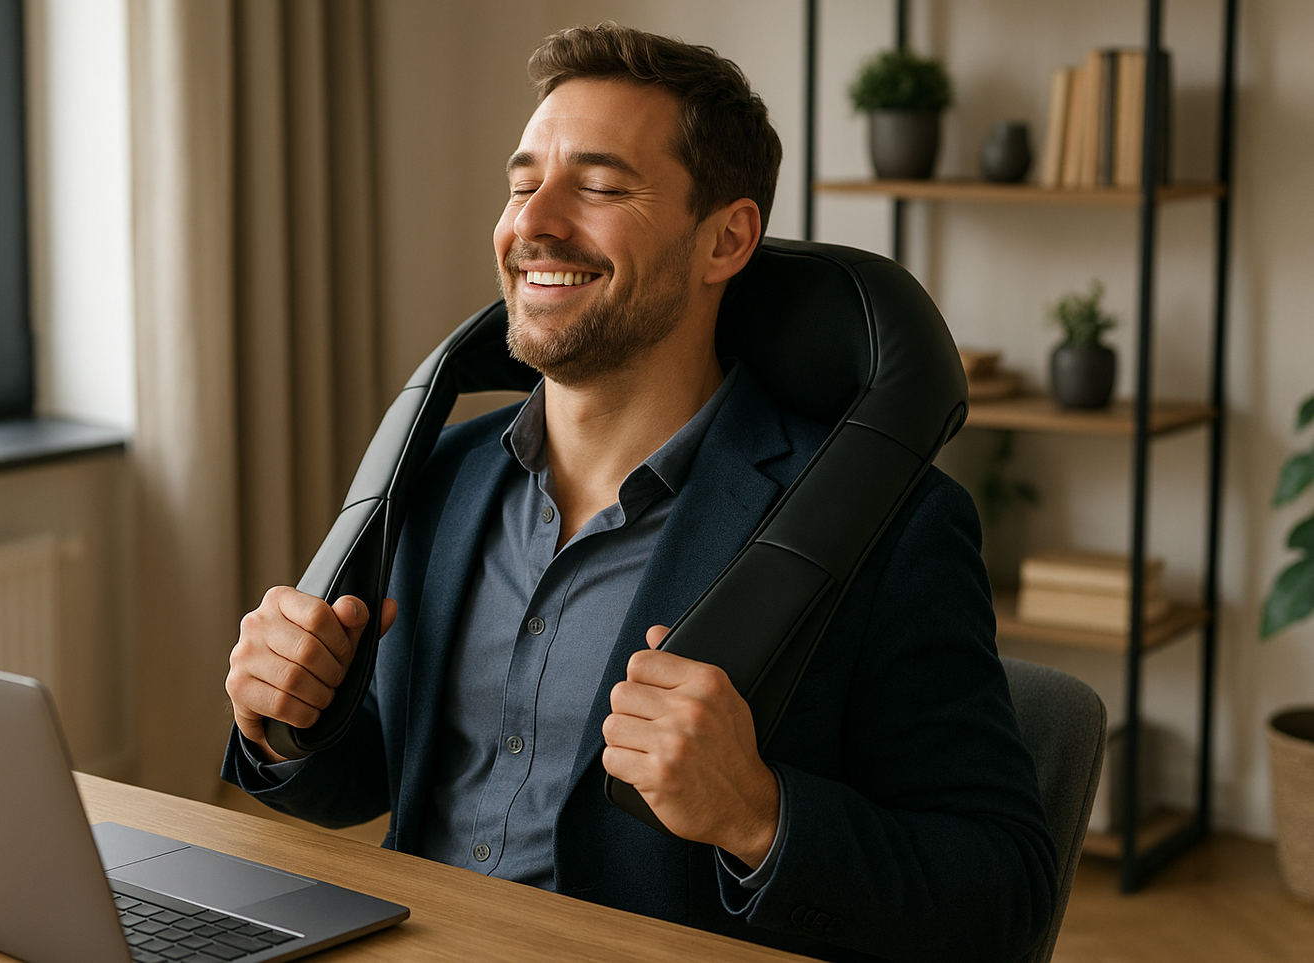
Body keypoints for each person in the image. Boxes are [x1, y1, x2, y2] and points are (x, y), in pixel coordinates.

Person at [223, 23, 1055, 963]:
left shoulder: (889, 526)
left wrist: (759, 816)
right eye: (521, 181)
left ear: (725, 238)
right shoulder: (441, 478)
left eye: (601, 185)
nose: (532, 222)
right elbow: (385, 776)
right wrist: (284, 721)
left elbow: (1004, 897)